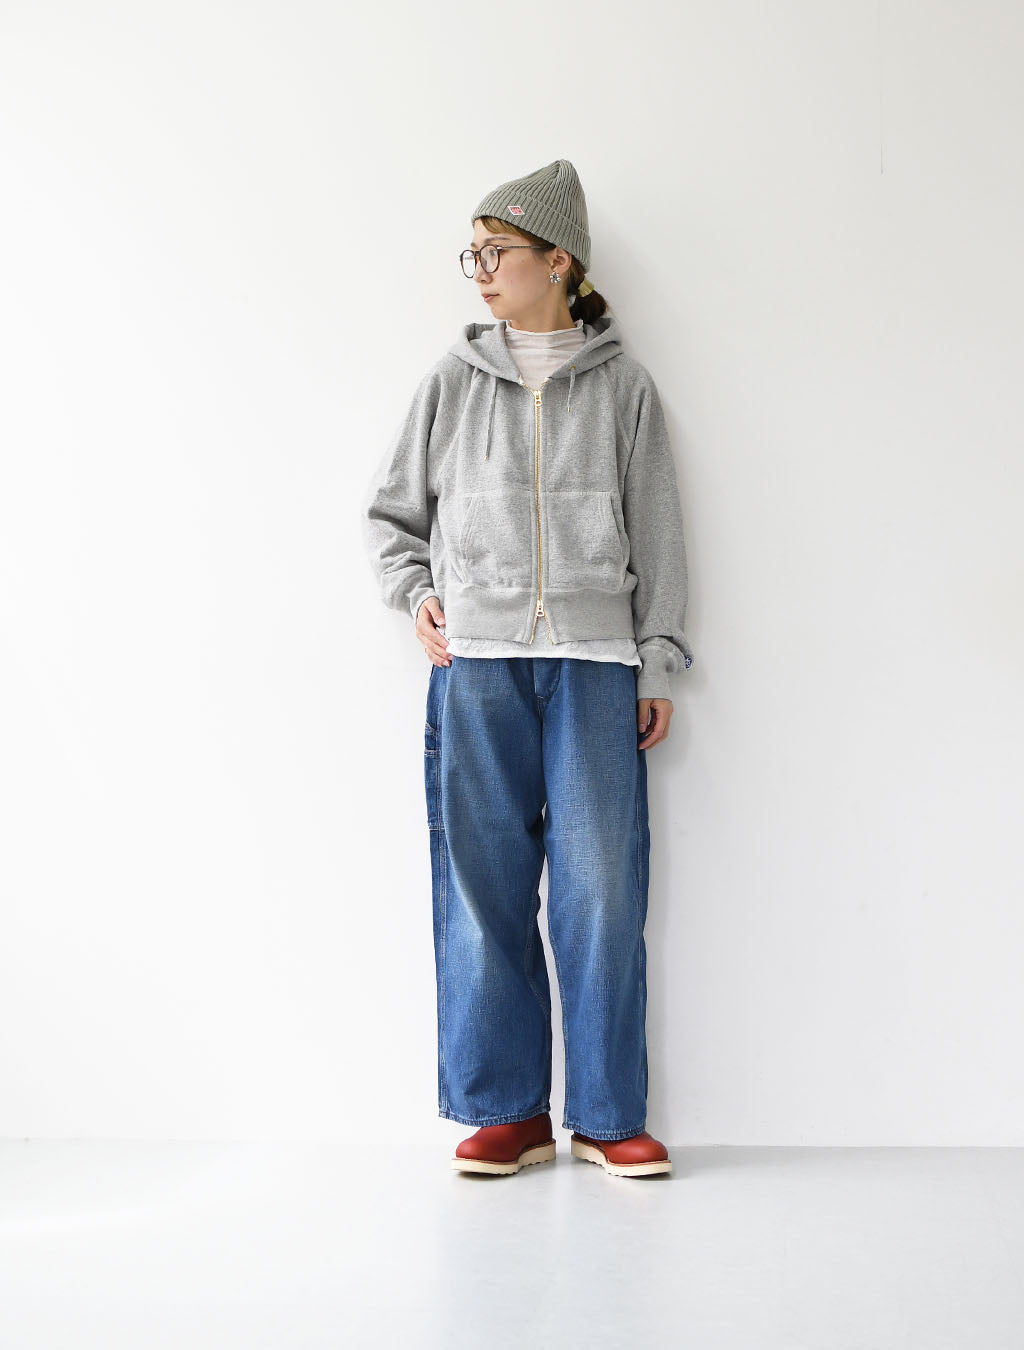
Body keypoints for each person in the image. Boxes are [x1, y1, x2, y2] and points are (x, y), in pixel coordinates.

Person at [363, 159, 693, 1179]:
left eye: (495, 251)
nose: (480, 271)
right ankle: (507, 1111)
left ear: (559, 261)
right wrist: (417, 594)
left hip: (594, 665)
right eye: (473, 254)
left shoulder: (625, 388)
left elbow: (660, 535)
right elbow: (391, 517)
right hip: (477, 667)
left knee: (601, 893)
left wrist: (656, 661)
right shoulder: (451, 382)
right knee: (483, 890)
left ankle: (605, 1114)